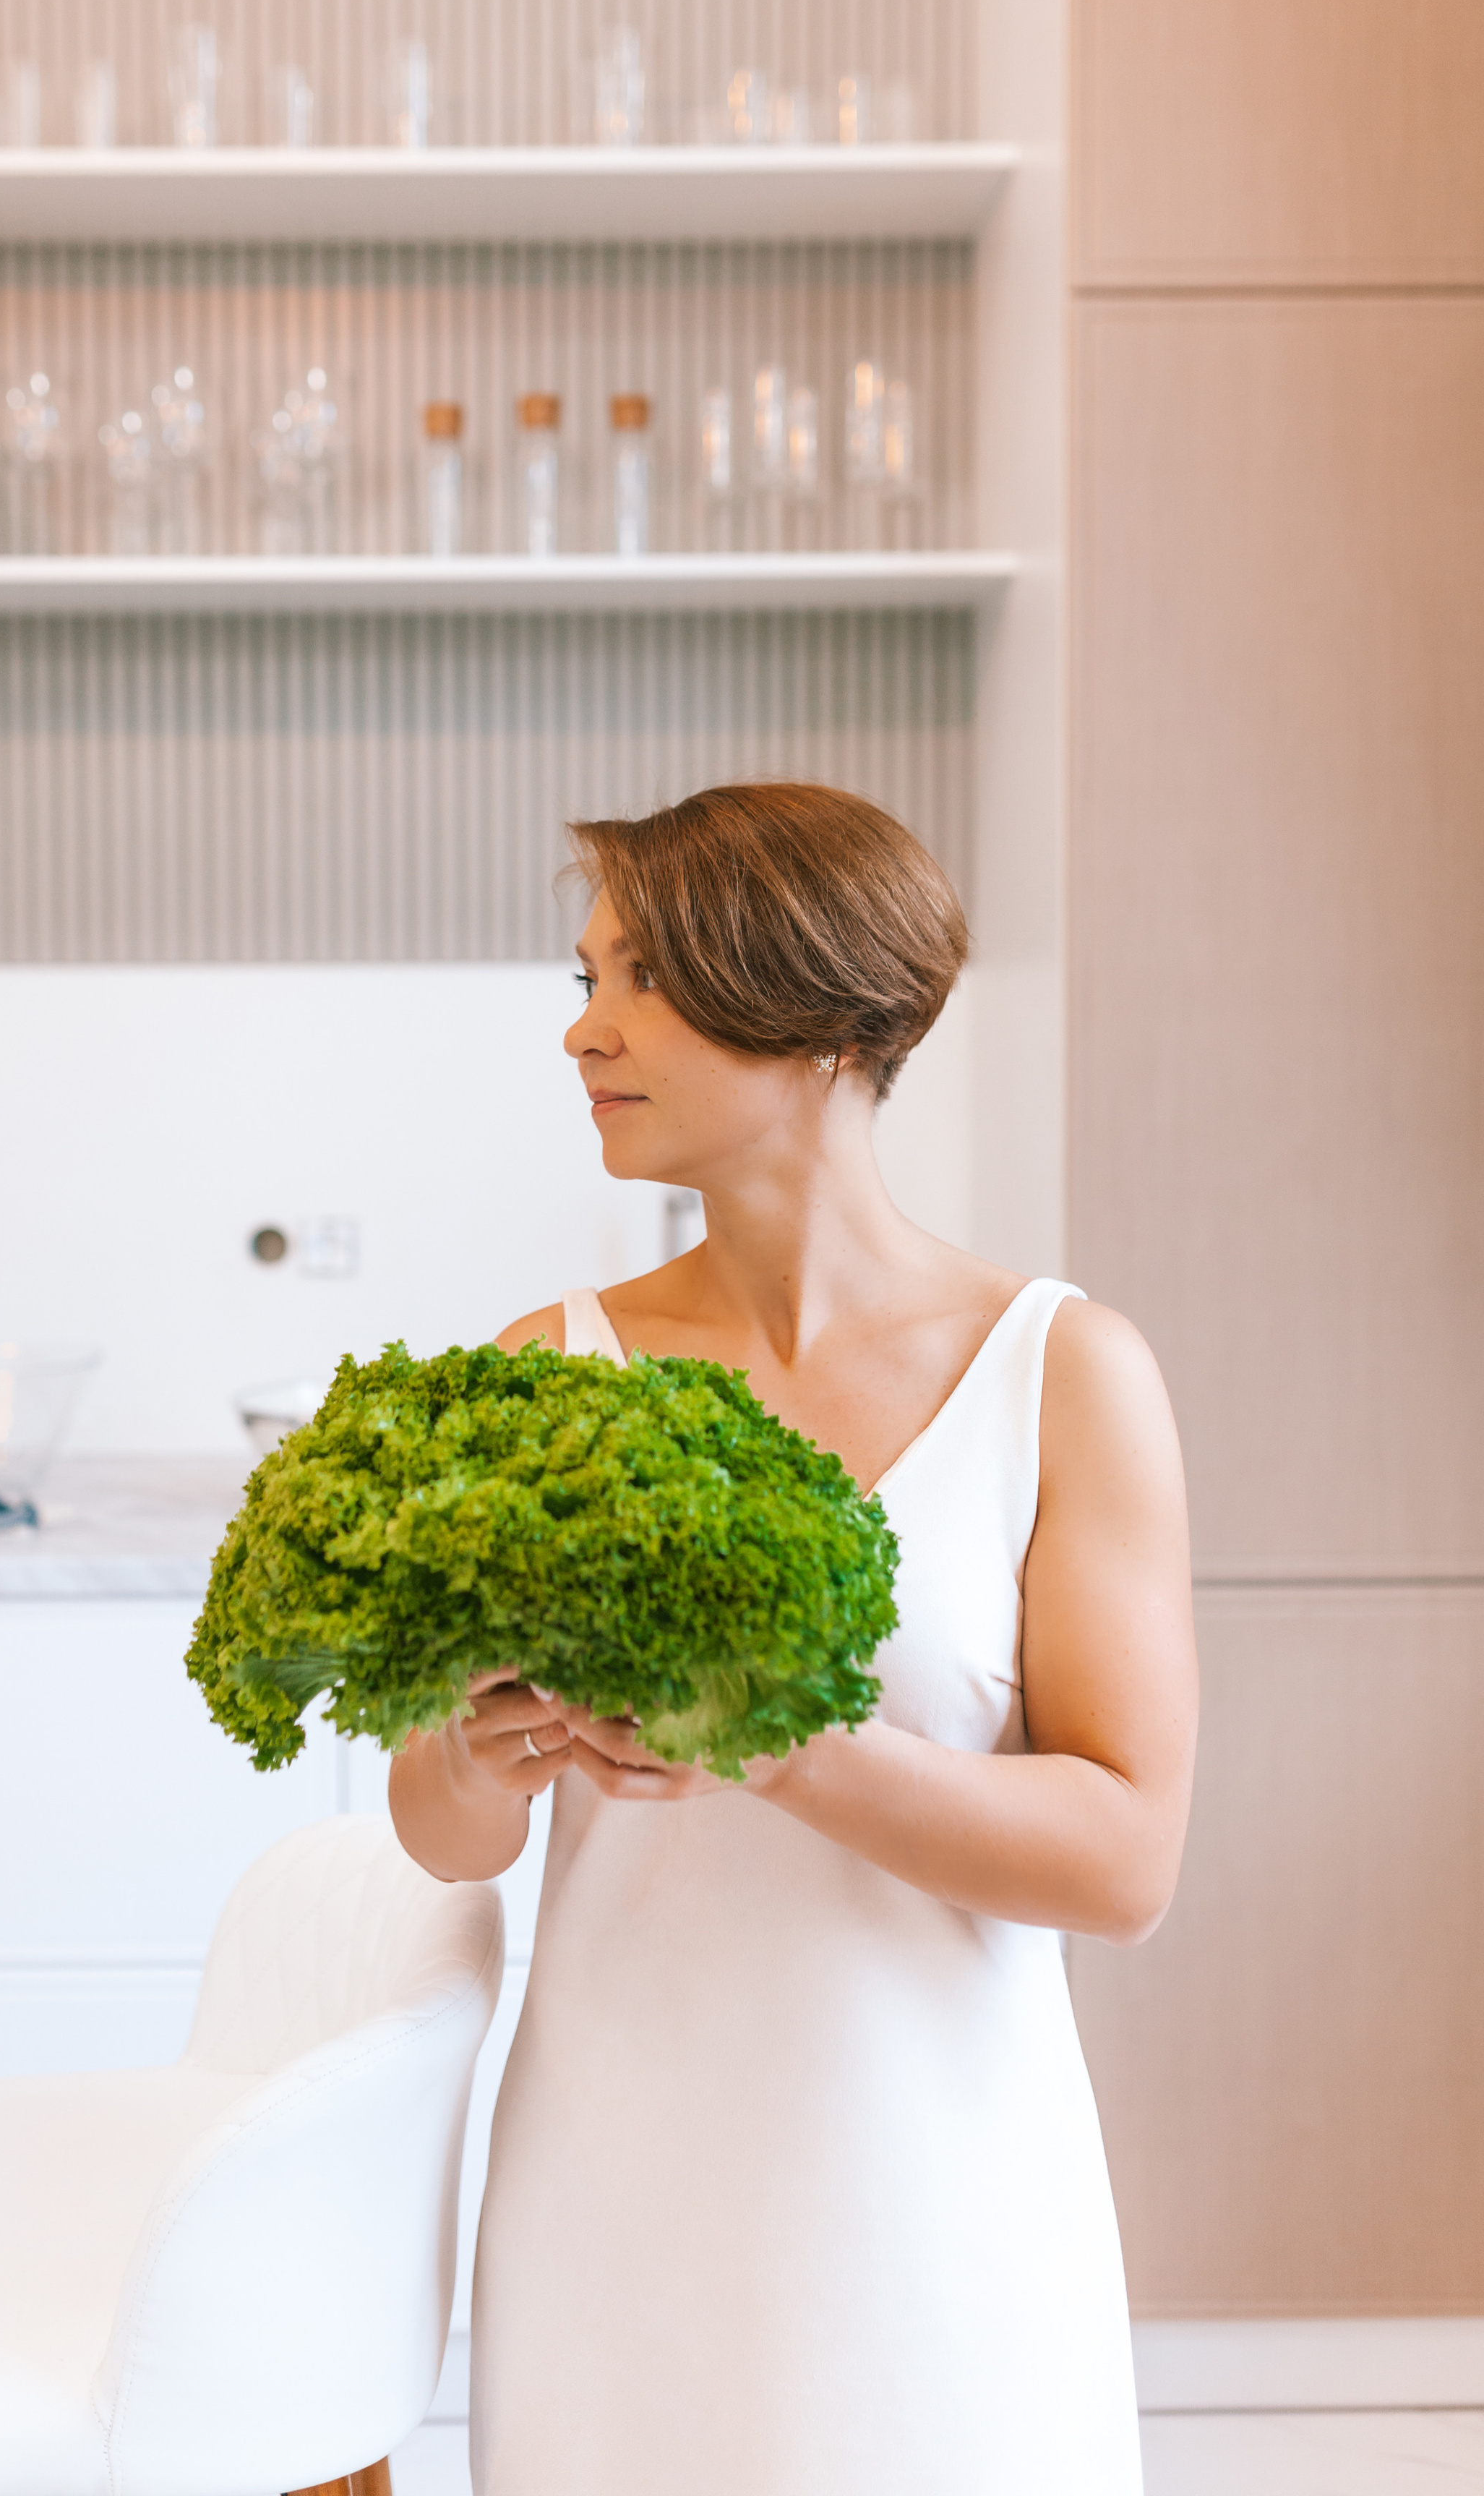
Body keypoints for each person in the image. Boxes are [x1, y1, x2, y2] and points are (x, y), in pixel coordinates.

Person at [387, 782, 1195, 2494]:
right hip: (613, 2190)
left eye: (644, 980)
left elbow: (1124, 1858)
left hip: (943, 2198)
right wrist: (470, 1751)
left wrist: (774, 1742)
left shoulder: (1059, 1375)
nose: (583, 1029)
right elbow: (439, 1832)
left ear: (820, 1018)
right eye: (588, 977)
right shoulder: (548, 1369)